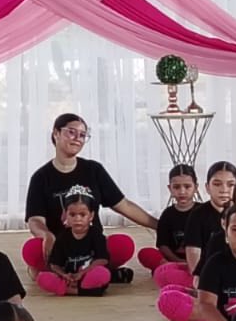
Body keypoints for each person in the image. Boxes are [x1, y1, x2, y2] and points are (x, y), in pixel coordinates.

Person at [23, 114, 156, 277]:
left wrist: (159, 225)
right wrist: (47, 236)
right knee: (33, 249)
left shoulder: (94, 170)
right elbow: (35, 220)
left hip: (91, 246)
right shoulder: (41, 177)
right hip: (59, 248)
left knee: (123, 245)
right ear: (56, 133)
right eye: (71, 132)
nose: (77, 139)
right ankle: (91, 273)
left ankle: (68, 274)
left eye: (82, 135)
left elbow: (124, 205)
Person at [37, 191, 124, 296]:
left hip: (88, 275)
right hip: (69, 279)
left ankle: (71, 290)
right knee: (42, 278)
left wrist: (82, 273)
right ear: (65, 215)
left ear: (91, 215)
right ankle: (82, 290)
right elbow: (55, 264)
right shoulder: (62, 237)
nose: (77, 219)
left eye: (82, 215)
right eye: (72, 215)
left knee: (103, 273)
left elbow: (102, 259)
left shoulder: (95, 234)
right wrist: (64, 275)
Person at [179, 162, 236, 281]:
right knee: (165, 272)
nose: (224, 190)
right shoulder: (197, 214)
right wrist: (201, 280)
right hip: (206, 272)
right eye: (217, 184)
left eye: (231, 184)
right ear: (207, 187)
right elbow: (193, 253)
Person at [138, 165, 200, 279]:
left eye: (187, 187)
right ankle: (175, 270)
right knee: (146, 253)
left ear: (196, 188)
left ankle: (177, 273)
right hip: (173, 260)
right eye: (176, 187)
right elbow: (163, 245)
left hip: (199, 260)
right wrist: (178, 261)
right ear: (170, 188)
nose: (182, 191)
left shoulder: (203, 211)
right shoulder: (167, 214)